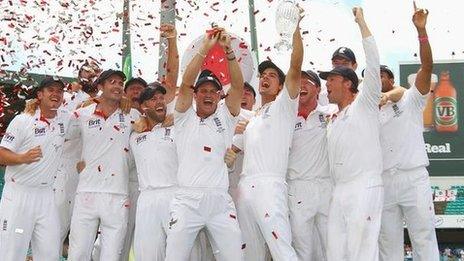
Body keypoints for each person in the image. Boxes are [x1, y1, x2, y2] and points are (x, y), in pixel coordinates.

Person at [165, 27, 244, 261]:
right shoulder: (183, 117)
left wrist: (229, 51)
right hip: (186, 201)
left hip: (219, 201)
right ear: (195, 95)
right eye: (203, 91)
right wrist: (206, 48)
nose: (208, 94)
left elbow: (238, 88)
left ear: (220, 96)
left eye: (213, 91)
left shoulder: (226, 118)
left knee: (234, 258)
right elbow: (187, 82)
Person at [232, 8, 304, 260]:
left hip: (270, 186)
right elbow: (231, 154)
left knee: (281, 249)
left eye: (272, 75)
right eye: (262, 75)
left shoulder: (285, 106)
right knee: (250, 253)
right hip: (244, 187)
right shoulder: (252, 117)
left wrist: (295, 31)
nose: (265, 78)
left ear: (282, 86)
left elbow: (295, 67)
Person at [318, 7, 383, 261]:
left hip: (364, 187)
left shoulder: (365, 105)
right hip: (339, 191)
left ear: (348, 82)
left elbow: (374, 62)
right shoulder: (334, 116)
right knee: (335, 254)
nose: (327, 84)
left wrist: (362, 23)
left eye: (332, 79)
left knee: (362, 254)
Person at [378, 4, 439, 260]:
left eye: (381, 75)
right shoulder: (368, 111)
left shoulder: (411, 99)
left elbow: (426, 67)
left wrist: (421, 32)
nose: (375, 79)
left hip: (413, 178)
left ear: (391, 79)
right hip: (384, 181)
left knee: (423, 237)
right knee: (388, 244)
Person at [67, 69, 139, 260]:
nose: (117, 86)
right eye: (112, 82)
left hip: (117, 195)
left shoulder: (133, 115)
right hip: (86, 193)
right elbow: (59, 135)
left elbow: (153, 126)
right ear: (100, 87)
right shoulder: (82, 114)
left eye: (120, 83)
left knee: (111, 255)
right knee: (78, 253)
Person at [0, 77, 70, 261]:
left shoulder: (65, 119)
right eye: (50, 90)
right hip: (19, 197)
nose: (55, 94)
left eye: (59, 91)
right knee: (13, 251)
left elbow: (89, 107)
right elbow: (1, 154)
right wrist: (22, 157)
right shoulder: (23, 120)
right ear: (40, 95)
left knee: (50, 252)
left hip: (46, 197)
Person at [53, 61, 101, 257]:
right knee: (56, 229)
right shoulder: (69, 100)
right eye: (86, 72)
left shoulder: (106, 102)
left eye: (95, 72)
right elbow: (62, 130)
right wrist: (82, 106)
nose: (90, 75)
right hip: (65, 177)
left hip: (92, 180)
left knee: (84, 237)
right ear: (79, 75)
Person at [287, 70, 333, 261]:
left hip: (326, 186)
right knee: (302, 249)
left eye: (307, 82)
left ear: (318, 89)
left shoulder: (331, 112)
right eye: (298, 82)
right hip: (297, 188)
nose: (301, 86)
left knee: (332, 246)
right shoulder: (285, 118)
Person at [130, 84, 178, 260]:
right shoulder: (133, 136)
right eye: (153, 99)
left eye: (161, 98)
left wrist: (177, 118)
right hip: (147, 199)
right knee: (147, 253)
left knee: (182, 253)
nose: (160, 102)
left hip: (175, 196)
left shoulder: (176, 127)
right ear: (144, 107)